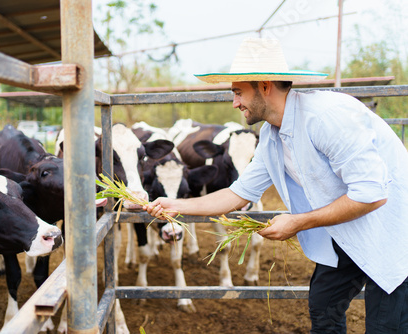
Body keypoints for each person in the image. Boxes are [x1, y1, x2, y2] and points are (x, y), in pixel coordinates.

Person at [143, 37, 408, 333]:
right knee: (323, 309)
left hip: (391, 232)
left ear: (265, 86)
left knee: (386, 325)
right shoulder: (271, 136)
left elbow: (372, 195)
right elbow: (238, 193)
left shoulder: (326, 117)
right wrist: (176, 205)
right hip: (345, 230)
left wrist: (297, 222)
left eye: (238, 92)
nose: (235, 103)